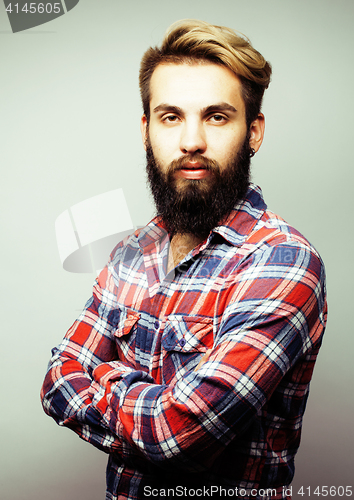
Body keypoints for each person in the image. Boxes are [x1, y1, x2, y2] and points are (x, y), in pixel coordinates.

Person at [41, 19, 327, 500]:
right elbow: (55, 379)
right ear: (146, 129)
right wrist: (145, 403)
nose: (191, 141)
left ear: (253, 132)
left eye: (216, 116)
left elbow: (179, 438)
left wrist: (105, 377)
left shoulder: (282, 262)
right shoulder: (131, 252)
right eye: (171, 116)